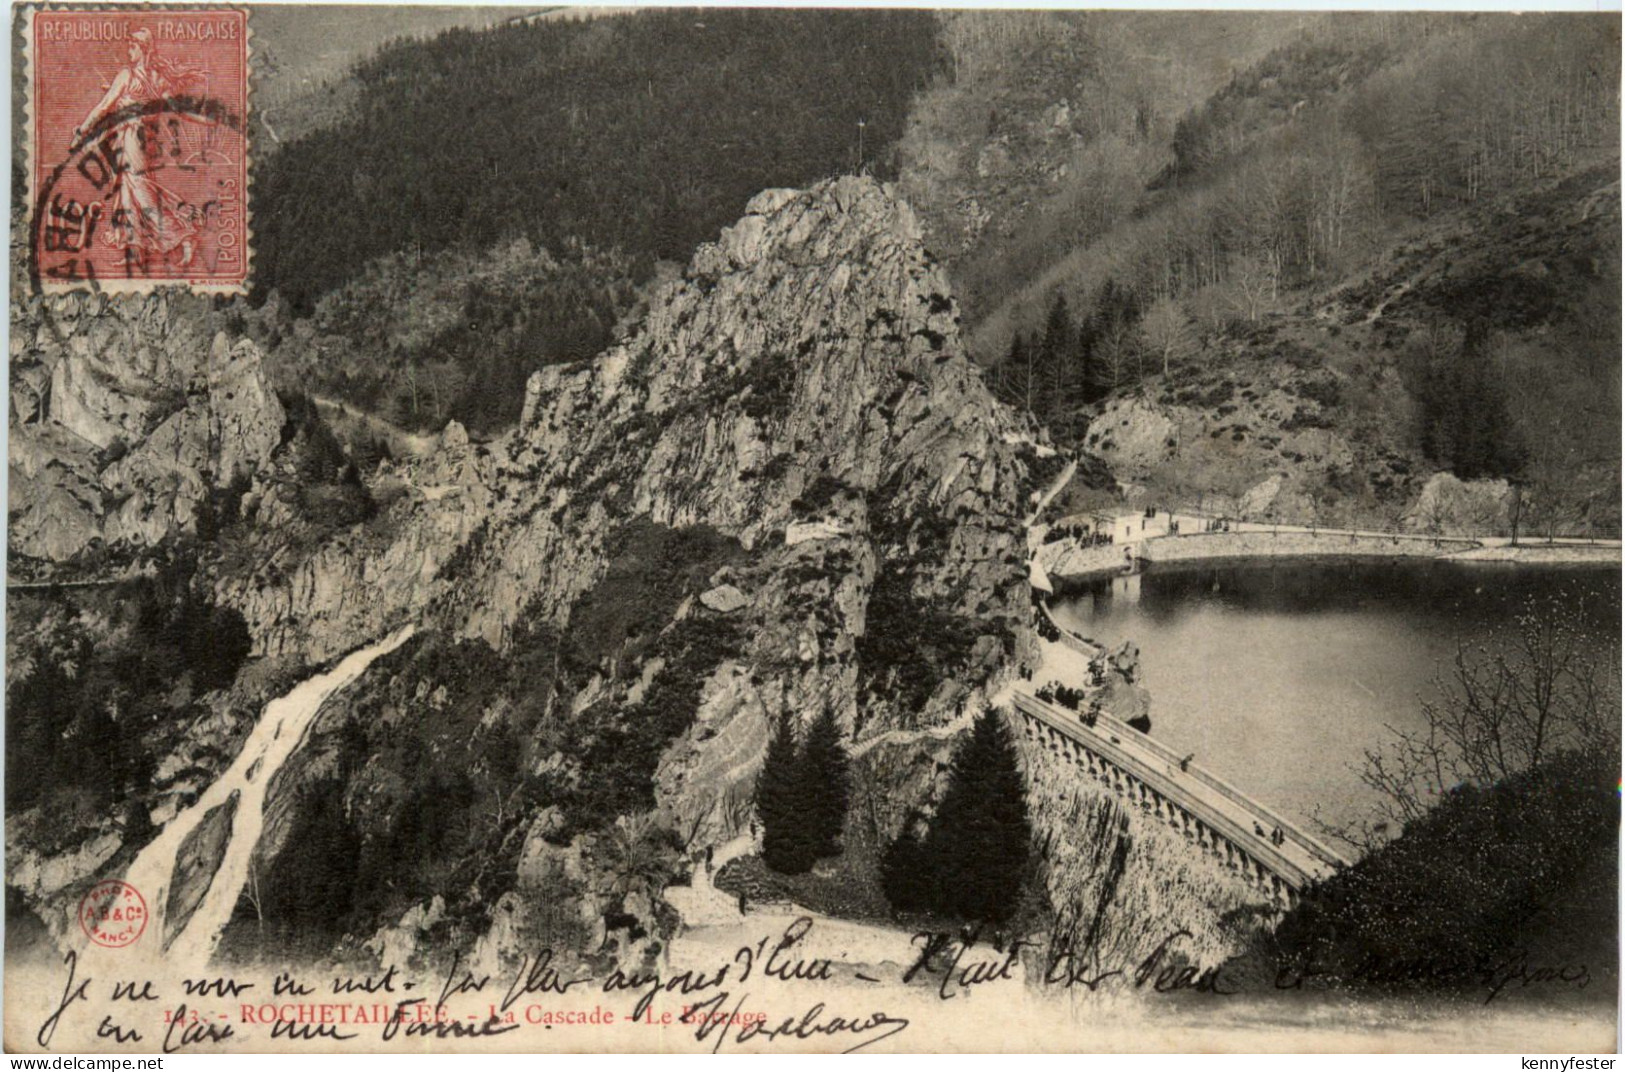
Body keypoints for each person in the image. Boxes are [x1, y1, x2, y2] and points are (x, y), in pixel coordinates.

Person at [71, 27, 203, 270]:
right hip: (136, 140)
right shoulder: (157, 79)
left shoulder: (127, 75)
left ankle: (185, 236)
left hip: (134, 140)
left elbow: (103, 106)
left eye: (132, 46)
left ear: (143, 48)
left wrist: (83, 130)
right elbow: (176, 108)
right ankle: (136, 253)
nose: (128, 50)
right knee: (126, 193)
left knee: (141, 192)